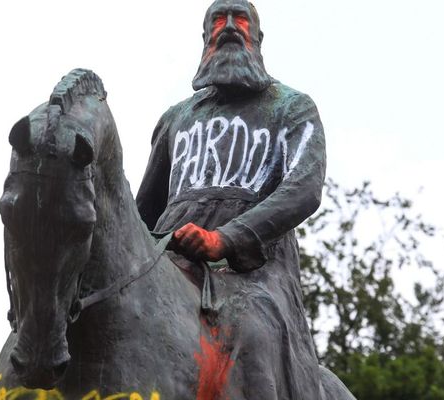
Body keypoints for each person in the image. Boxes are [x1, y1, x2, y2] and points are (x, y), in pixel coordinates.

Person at [136, 0, 332, 398]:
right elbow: (144, 209)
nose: (228, 27)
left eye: (239, 19)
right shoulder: (175, 119)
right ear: (205, 37)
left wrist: (224, 239)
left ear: (257, 37)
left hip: (254, 275)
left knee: (251, 330)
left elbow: (304, 190)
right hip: (169, 262)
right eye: (218, 20)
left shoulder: (292, 108)